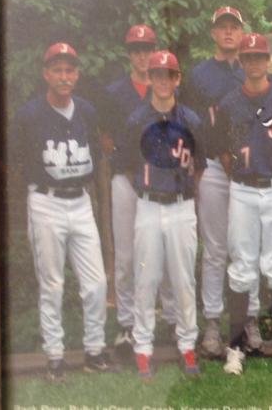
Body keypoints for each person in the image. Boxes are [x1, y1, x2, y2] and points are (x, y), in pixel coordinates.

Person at [14, 42, 112, 383]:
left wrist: (97, 203)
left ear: (77, 74)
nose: (64, 75)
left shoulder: (86, 110)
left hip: (80, 200)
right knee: (52, 283)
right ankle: (54, 356)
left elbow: (97, 159)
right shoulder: (28, 114)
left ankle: (94, 350)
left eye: (69, 69)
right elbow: (17, 163)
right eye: (57, 69)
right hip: (46, 201)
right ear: (46, 73)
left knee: (96, 282)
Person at [116, 50, 205, 380]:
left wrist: (180, 191)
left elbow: (200, 166)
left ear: (177, 79)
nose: (163, 81)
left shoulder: (192, 121)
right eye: (157, 74)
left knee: (184, 280)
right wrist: (149, 189)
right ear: (150, 78)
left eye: (170, 75)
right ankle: (143, 350)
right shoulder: (136, 119)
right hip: (149, 206)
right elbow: (127, 166)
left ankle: (187, 347)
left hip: (182, 206)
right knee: (146, 279)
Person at [217, 33, 272, 375]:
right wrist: (241, 176)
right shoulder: (228, 103)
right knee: (241, 267)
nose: (253, 62)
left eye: (259, 56)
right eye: (247, 57)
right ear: (241, 61)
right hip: (243, 189)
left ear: (268, 61)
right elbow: (224, 153)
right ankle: (234, 347)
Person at [101, 24, 177, 359]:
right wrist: (126, 165)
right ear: (128, 53)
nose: (142, 55)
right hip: (126, 181)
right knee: (127, 256)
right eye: (136, 49)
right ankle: (127, 324)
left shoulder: (167, 87)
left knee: (166, 253)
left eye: (147, 48)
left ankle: (173, 320)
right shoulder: (115, 92)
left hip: (160, 182)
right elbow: (105, 139)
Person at [180, 6, 251, 358]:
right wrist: (195, 168)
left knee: (245, 247)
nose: (228, 32)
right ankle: (211, 323)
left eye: (233, 27)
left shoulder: (250, 71)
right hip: (211, 168)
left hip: (246, 171)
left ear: (241, 33)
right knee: (214, 250)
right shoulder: (198, 76)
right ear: (213, 33)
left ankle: (248, 320)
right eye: (222, 26)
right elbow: (189, 124)